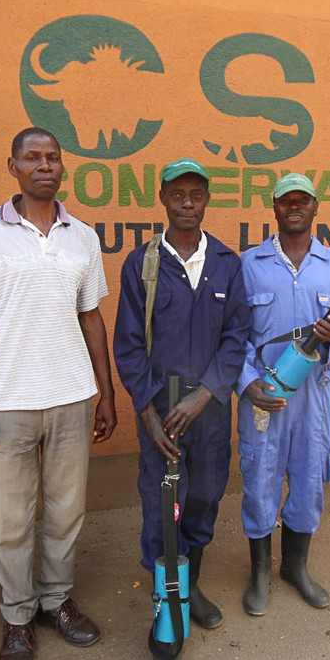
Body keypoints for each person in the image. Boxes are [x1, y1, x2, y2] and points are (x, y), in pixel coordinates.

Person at [0, 127, 117, 660]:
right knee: (11, 519)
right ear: (14, 166)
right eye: (33, 157)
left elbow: (91, 317)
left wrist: (106, 392)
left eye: (53, 158)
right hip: (6, 401)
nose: (45, 165)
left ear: (62, 168)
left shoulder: (83, 237)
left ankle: (56, 600)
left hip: (71, 394)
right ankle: (18, 616)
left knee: (67, 511)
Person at [113, 158, 251, 633]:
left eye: (196, 194)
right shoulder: (143, 264)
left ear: (207, 198)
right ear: (164, 199)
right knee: (161, 507)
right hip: (161, 412)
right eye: (177, 194)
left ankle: (189, 588)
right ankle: (165, 607)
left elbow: (237, 338)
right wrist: (148, 412)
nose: (187, 202)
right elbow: (129, 345)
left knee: (204, 498)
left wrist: (206, 395)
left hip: (209, 414)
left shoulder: (227, 265)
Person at [236, 173, 330, 616]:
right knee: (259, 481)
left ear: (316, 207)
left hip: (314, 394)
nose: (294, 207)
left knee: (310, 479)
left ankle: (295, 567)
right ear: (274, 207)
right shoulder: (248, 264)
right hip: (263, 393)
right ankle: (258, 573)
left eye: (303, 200)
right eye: (286, 200)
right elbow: (231, 335)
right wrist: (246, 383)